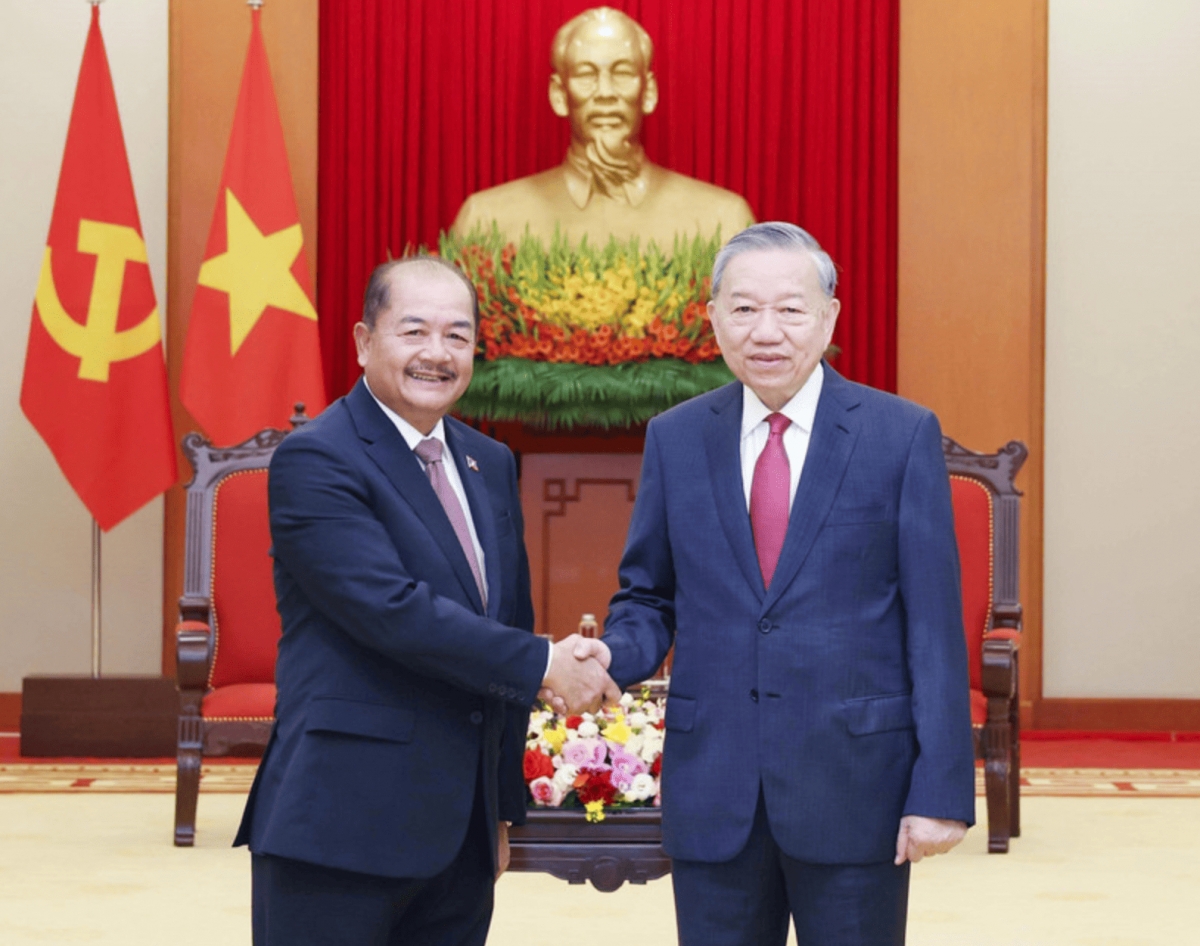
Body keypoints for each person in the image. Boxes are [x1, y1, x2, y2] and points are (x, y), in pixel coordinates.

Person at [585, 223, 976, 945]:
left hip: (856, 784)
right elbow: (648, 595)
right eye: (743, 308)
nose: (766, 331)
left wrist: (942, 789)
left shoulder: (898, 434)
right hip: (715, 786)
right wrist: (611, 656)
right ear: (712, 318)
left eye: (790, 310)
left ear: (829, 317)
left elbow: (932, 625)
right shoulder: (676, 437)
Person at [234, 256, 619, 946]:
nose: (436, 354)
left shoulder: (489, 461)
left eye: (457, 335)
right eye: (414, 332)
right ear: (362, 341)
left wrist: (499, 810)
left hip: (458, 839)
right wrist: (546, 664)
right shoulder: (318, 458)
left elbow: (504, 621)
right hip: (341, 828)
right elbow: (392, 610)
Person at [451, 6, 753, 249]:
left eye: (622, 73)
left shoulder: (723, 220)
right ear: (559, 95)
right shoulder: (486, 220)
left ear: (648, 92)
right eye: (586, 74)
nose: (606, 92)